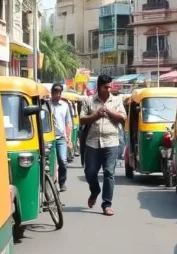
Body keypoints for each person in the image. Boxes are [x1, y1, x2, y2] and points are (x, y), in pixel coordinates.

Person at [80, 74, 126, 216]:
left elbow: (123, 118)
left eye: (110, 86)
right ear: (99, 87)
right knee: (90, 172)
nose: (109, 89)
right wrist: (96, 115)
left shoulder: (117, 100)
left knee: (109, 173)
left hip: (111, 141)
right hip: (92, 142)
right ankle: (95, 191)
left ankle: (107, 204)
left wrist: (109, 111)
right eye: (106, 87)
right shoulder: (88, 101)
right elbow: (82, 120)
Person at [50, 83, 73, 192]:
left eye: (59, 92)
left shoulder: (65, 105)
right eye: (55, 91)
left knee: (63, 160)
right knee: (47, 163)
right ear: (52, 92)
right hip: (48, 138)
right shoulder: (46, 104)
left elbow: (68, 122)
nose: (57, 94)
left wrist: (68, 137)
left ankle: (62, 182)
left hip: (61, 138)